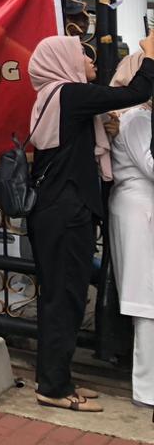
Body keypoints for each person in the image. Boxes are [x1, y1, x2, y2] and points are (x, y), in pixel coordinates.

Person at [26, 30, 154, 412]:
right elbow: (134, 93)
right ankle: (54, 388)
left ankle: (56, 377)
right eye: (83, 55)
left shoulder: (52, 96)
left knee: (60, 296)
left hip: (55, 212)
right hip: (65, 214)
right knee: (64, 298)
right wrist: (150, 55)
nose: (91, 61)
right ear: (63, 61)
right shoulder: (68, 94)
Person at [108, 53, 154, 408]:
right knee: (146, 302)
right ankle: (147, 388)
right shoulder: (137, 118)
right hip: (139, 213)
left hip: (140, 210)